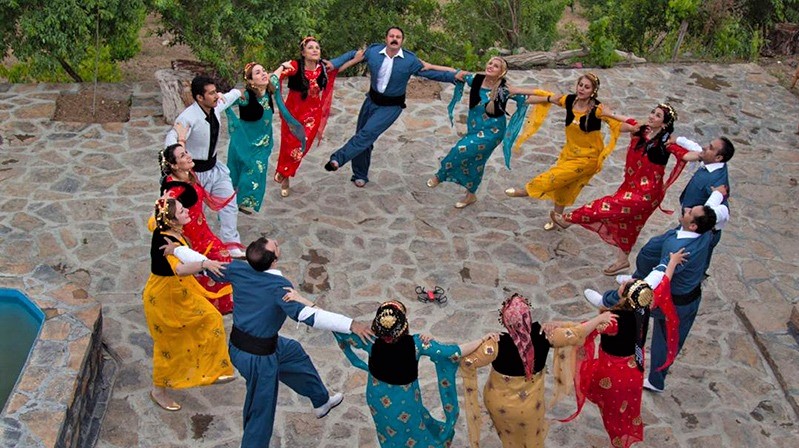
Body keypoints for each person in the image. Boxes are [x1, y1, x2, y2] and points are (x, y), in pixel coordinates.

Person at [167, 236, 373, 447]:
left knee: (293, 351)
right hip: (258, 359)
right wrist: (351, 325)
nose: (275, 241)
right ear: (274, 259)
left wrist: (176, 250)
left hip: (245, 346)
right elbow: (309, 316)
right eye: (274, 245)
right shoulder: (279, 287)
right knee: (261, 412)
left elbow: (203, 263)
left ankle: (321, 401)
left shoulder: (237, 269)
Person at [585, 187, 729, 393]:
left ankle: (606, 302)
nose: (686, 209)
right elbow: (713, 209)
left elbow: (661, 274)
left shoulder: (680, 251)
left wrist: (636, 287)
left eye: (689, 212)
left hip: (674, 302)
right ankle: (656, 379)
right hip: (683, 295)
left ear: (694, 225)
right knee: (667, 338)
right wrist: (718, 193)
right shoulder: (706, 229)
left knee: (660, 335)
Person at [549, 104, 702, 275]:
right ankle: (622, 261)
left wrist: (694, 148)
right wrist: (608, 114)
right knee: (629, 225)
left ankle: (568, 219)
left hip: (646, 195)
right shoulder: (642, 130)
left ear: (665, 124)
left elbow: (689, 155)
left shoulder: (666, 143)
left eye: (658, 116)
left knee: (605, 205)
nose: (652, 116)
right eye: (652, 112)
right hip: (630, 186)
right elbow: (627, 120)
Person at [562, 249, 685, 448]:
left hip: (612, 371)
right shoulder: (647, 306)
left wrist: (564, 329)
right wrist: (672, 263)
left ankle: (619, 443)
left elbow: (583, 331)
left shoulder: (613, 321)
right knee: (626, 406)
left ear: (623, 294)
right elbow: (664, 283)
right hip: (634, 369)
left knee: (611, 412)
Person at [458, 293, 615, 448]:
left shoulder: (496, 344)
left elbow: (465, 359)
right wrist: (599, 319)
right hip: (530, 408)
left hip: (499, 405)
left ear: (506, 321)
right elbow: (576, 333)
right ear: (527, 316)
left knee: (508, 436)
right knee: (531, 439)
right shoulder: (544, 334)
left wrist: (481, 340)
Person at [332, 300, 494, 448]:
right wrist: (481, 340)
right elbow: (452, 351)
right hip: (406, 400)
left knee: (387, 432)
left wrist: (352, 325)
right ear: (404, 325)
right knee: (412, 430)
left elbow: (336, 328)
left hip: (377, 399)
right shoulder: (417, 344)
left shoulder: (369, 340)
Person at [323, 26, 465, 187]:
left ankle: (337, 159)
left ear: (402, 41)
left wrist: (454, 76)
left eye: (398, 37)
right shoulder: (373, 52)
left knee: (367, 133)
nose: (394, 39)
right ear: (386, 39)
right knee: (363, 137)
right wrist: (334, 63)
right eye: (391, 35)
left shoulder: (410, 60)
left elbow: (430, 72)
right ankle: (360, 174)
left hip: (390, 107)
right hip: (371, 101)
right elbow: (352, 55)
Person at [143, 197, 234, 411]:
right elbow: (181, 269)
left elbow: (152, 220)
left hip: (181, 292)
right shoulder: (163, 241)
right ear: (171, 220)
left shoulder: (167, 227)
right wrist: (205, 264)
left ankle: (212, 369)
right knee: (169, 346)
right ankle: (158, 390)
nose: (188, 212)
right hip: (164, 299)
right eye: (182, 211)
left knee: (211, 318)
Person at [505, 73, 625, 230]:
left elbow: (618, 125)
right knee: (564, 187)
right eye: (580, 85)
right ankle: (557, 219)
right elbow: (544, 95)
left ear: (593, 91)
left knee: (555, 176)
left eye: (587, 87)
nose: (582, 89)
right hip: (569, 153)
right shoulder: (570, 100)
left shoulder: (597, 109)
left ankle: (526, 191)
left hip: (588, 158)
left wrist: (632, 124)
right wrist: (517, 90)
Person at [426, 57, 538, 208]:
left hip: (493, 132)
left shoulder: (503, 89)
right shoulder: (475, 79)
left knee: (460, 149)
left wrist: (551, 98)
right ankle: (471, 195)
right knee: (477, 161)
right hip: (475, 128)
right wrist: (430, 65)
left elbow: (527, 98)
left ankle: (439, 176)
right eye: (490, 63)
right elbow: (455, 72)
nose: (491, 66)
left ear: (501, 72)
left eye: (496, 66)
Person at [159, 124, 238, 314]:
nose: (189, 156)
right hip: (192, 237)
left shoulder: (186, 173)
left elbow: (177, 152)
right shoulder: (174, 190)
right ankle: (211, 304)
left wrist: (181, 137)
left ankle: (217, 302)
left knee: (218, 261)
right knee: (218, 260)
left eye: (186, 153)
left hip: (203, 231)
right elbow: (163, 209)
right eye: (184, 156)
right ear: (175, 165)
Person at [273, 37, 364, 197]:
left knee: (301, 147)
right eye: (310, 48)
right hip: (293, 114)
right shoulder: (295, 66)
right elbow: (276, 78)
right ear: (303, 52)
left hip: (311, 116)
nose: (315, 50)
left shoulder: (322, 68)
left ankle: (286, 171)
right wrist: (281, 67)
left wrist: (355, 60)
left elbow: (337, 69)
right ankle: (284, 175)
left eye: (317, 48)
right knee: (288, 146)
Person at [165, 75, 244, 257]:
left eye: (215, 91)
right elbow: (173, 136)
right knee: (193, 213)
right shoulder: (188, 118)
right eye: (211, 93)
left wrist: (239, 92)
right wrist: (177, 150)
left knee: (229, 203)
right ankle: (188, 248)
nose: (216, 96)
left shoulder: (215, 106)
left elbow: (227, 98)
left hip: (215, 168)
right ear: (200, 98)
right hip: (195, 174)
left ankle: (231, 244)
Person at [223, 62, 284, 214]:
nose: (263, 74)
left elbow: (275, 75)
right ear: (250, 81)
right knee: (240, 172)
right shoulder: (246, 96)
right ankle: (234, 201)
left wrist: (284, 65)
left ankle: (244, 199)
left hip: (262, 144)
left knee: (257, 170)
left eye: (264, 70)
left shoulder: (269, 89)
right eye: (257, 73)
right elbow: (227, 100)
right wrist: (219, 96)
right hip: (244, 143)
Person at [670, 135, 734, 269]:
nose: (705, 148)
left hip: (697, 229)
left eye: (710, 148)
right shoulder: (710, 162)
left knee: (688, 265)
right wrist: (678, 140)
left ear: (718, 158)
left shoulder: (717, 182)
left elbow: (718, 211)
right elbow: (697, 149)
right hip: (690, 221)